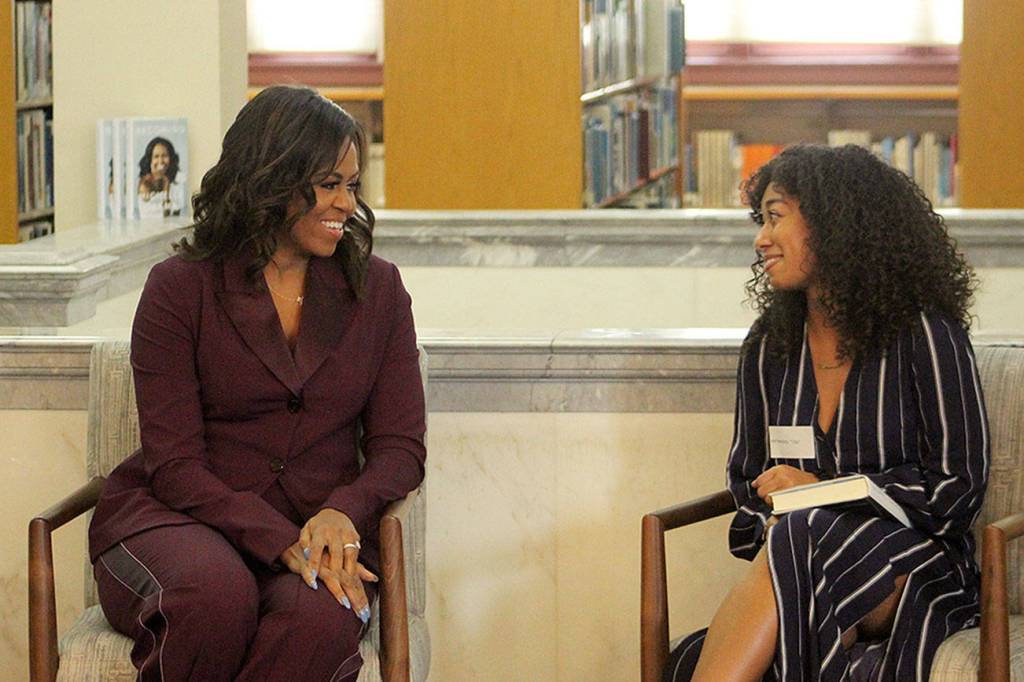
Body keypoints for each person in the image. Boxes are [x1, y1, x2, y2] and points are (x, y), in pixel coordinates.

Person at [88, 85, 426, 681]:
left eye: (352, 185)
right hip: (182, 521)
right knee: (214, 597)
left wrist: (340, 512)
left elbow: (400, 447)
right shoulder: (178, 289)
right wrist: (279, 540)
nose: (346, 204)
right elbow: (174, 464)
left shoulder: (379, 290)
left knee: (321, 618)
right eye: (329, 183)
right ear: (271, 178)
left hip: (317, 524)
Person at [664, 144, 989, 681]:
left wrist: (821, 492)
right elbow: (748, 489)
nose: (760, 239)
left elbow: (957, 489)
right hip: (801, 564)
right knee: (796, 537)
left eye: (775, 217)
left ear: (836, 224)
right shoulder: (770, 346)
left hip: (917, 571)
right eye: (759, 220)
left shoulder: (924, 333)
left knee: (802, 532)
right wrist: (785, 506)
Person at [137, 136, 184, 217]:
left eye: (164, 156)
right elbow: (147, 214)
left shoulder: (179, 182)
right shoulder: (143, 183)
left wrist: (166, 182)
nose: (160, 161)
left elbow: (174, 212)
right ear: (150, 160)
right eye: (156, 156)